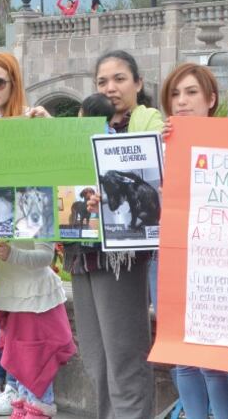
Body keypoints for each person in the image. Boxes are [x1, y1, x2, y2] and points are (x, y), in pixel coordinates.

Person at [65, 50, 164, 419]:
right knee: (95, 359)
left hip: (121, 257)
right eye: (102, 81)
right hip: (82, 253)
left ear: (138, 84)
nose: (110, 88)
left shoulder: (148, 127)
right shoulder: (81, 128)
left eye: (120, 79)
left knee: (124, 357)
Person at [0, 52, 50, 415]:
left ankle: (14, 385)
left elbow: (60, 154)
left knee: (17, 308)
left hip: (26, 223)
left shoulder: (32, 118)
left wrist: (47, 125)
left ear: (13, 82)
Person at [158, 64, 228, 419]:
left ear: (211, 99)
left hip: (214, 261)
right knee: (182, 356)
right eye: (175, 94)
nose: (182, 101)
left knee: (212, 359)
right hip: (169, 259)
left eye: (191, 92)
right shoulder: (160, 145)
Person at [0, 237, 76, 419]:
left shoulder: (39, 209)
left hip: (36, 298)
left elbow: (46, 256)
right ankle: (27, 406)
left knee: (35, 359)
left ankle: (38, 409)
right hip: (12, 296)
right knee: (20, 359)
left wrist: (12, 254)